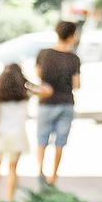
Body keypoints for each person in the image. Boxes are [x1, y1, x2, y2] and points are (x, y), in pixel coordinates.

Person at [33, 21, 82, 188]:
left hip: (46, 102)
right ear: (71, 36)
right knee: (60, 142)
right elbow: (77, 84)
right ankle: (53, 176)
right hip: (66, 103)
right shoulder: (74, 58)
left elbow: (39, 75)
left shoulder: (44, 54)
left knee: (42, 139)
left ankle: (40, 172)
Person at [0, 62, 31, 202]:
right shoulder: (26, 95)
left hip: (0, 136)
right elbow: (46, 91)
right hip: (18, 135)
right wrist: (29, 83)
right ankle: (10, 199)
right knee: (13, 168)